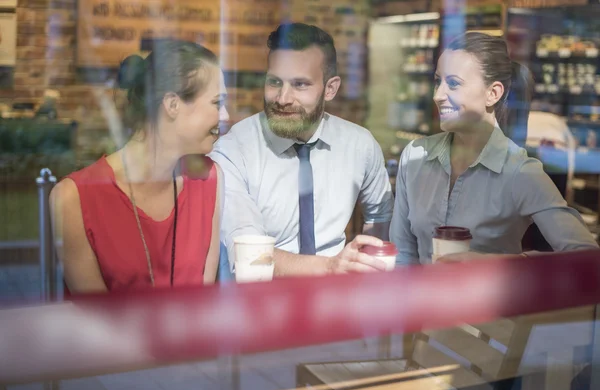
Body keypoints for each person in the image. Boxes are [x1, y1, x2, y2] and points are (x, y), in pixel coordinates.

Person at [390, 32, 598, 265]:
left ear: (493, 93)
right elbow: (403, 254)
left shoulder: (520, 172)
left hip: (489, 302)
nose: (438, 95)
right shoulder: (415, 155)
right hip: (421, 300)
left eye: (453, 83)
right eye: (438, 81)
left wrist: (495, 264)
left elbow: (586, 256)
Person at [210, 23, 394, 276]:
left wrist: (366, 266)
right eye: (274, 82)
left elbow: (380, 213)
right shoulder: (233, 151)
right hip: (258, 303)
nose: (283, 98)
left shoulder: (359, 144)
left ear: (330, 88)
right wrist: (330, 267)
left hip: (335, 300)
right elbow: (249, 254)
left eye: (300, 84)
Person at [50, 40, 229, 292]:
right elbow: (95, 321)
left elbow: (201, 303)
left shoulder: (209, 179)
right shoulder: (72, 198)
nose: (226, 116)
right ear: (172, 105)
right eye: (217, 103)